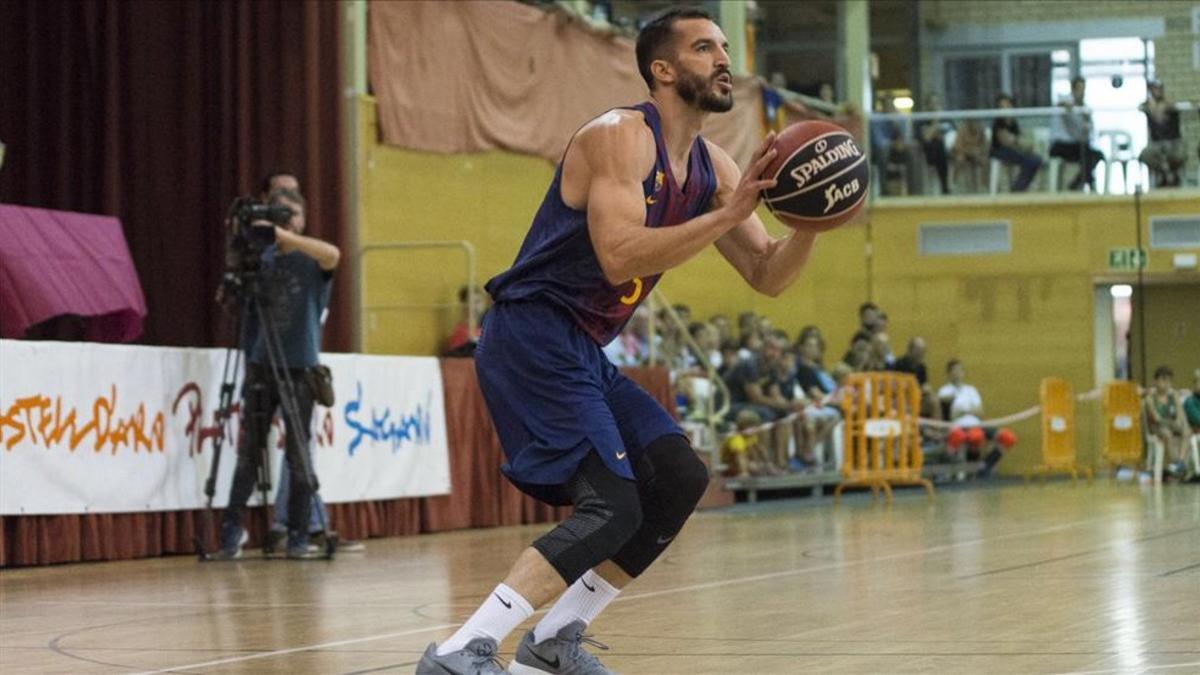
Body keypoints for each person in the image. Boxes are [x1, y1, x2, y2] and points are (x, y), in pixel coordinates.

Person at [416, 9, 821, 674]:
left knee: (678, 478)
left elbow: (767, 274)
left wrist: (811, 220)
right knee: (612, 505)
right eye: (704, 48)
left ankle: (553, 640)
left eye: (724, 48)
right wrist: (726, 214)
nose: (724, 60)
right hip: (531, 334)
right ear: (663, 70)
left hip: (581, 347)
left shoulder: (713, 167)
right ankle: (462, 649)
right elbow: (618, 255)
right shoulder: (619, 138)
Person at [215, 188, 342, 560]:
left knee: (298, 456)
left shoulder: (312, 259)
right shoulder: (261, 259)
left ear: (302, 219)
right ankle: (230, 534)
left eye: (292, 214)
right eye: (278, 214)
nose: (285, 220)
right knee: (249, 453)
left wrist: (284, 237)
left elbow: (333, 254)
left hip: (300, 367)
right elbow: (231, 292)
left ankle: (299, 537)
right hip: (260, 365)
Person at [937, 359, 1014, 476]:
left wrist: (964, 411)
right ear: (949, 373)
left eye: (960, 370)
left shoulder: (971, 390)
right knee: (971, 437)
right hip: (959, 427)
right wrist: (969, 411)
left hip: (977, 424)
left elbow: (980, 412)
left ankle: (986, 465)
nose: (957, 373)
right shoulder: (944, 391)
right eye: (954, 370)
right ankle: (955, 472)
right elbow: (951, 415)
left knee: (1008, 437)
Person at [1049, 77, 1104, 192]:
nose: (1082, 92)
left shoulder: (1083, 109)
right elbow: (1071, 127)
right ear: (1073, 90)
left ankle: (1076, 183)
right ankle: (1088, 182)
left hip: (1076, 145)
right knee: (1087, 152)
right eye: (1080, 89)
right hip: (1059, 145)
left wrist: (1086, 120)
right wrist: (1072, 111)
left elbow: (1085, 135)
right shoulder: (1065, 103)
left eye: (1084, 89)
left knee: (1097, 155)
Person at [989, 93, 1041, 192]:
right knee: (1030, 160)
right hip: (1000, 151)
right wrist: (1019, 142)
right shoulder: (998, 122)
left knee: (1036, 159)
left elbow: (1018, 138)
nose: (1005, 109)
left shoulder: (1013, 122)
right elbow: (1006, 140)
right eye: (1002, 106)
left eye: (1007, 105)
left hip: (1013, 150)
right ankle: (1017, 190)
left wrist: (1022, 143)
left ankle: (1019, 187)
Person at [1138, 80, 1185, 188]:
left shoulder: (1171, 106)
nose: (1156, 91)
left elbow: (1174, 107)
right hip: (1156, 145)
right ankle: (1163, 175)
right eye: (1154, 89)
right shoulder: (1148, 106)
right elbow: (1140, 107)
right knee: (1146, 155)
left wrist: (1164, 108)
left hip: (1173, 143)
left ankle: (1172, 176)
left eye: (1159, 88)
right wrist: (1153, 108)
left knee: (1175, 154)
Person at [1144, 365, 1188, 478]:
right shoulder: (1150, 398)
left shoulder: (1173, 395)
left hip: (1171, 423)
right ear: (1156, 381)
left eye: (1168, 381)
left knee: (1186, 430)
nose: (1166, 384)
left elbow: (1180, 413)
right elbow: (1157, 418)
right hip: (1157, 427)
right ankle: (1175, 462)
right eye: (1163, 380)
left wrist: (1179, 421)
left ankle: (1180, 462)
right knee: (1167, 433)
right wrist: (1173, 423)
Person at [915, 94, 952, 195]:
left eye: (936, 103)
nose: (934, 106)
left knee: (941, 146)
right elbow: (926, 137)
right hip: (929, 151)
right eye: (931, 104)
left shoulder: (946, 119)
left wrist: (936, 134)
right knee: (937, 145)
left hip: (948, 150)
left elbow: (952, 134)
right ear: (927, 106)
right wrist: (936, 122)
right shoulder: (922, 120)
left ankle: (947, 186)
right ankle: (944, 187)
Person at [444, 285, 488, 357]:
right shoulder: (460, 332)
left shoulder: (482, 330)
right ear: (464, 305)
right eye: (472, 302)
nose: (476, 306)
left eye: (478, 301)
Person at [951, 118, 988, 193]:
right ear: (969, 123)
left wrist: (979, 151)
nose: (976, 124)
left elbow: (985, 146)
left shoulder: (981, 131)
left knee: (985, 161)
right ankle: (954, 183)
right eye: (974, 122)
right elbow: (957, 147)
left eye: (977, 122)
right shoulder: (962, 131)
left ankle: (984, 185)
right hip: (964, 154)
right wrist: (969, 151)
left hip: (977, 154)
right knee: (959, 159)